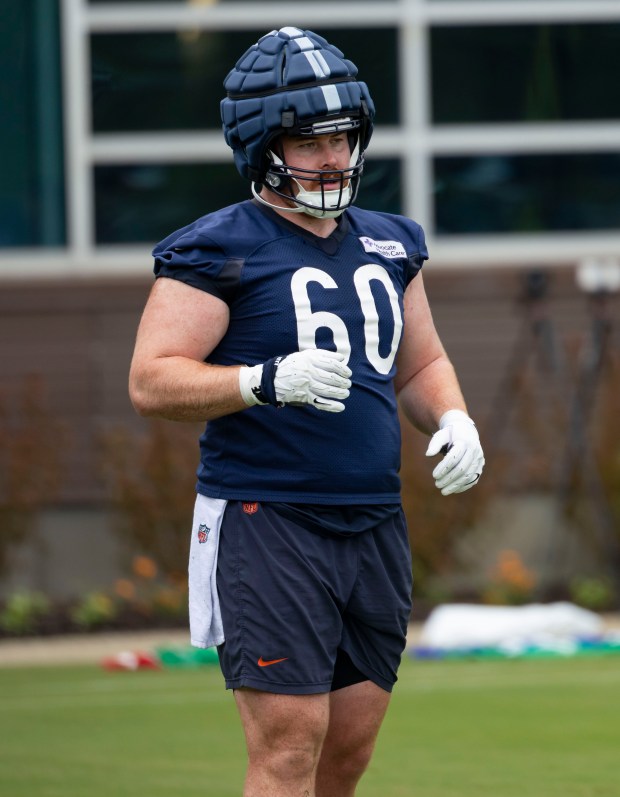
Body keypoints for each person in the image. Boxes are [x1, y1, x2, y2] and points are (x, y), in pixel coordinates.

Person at [129, 26, 485, 797]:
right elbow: (152, 380)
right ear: (261, 143)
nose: (332, 157)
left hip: (373, 521)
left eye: (342, 137)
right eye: (309, 139)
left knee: (345, 755)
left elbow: (420, 363)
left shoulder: (391, 244)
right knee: (290, 748)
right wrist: (260, 381)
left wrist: (453, 416)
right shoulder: (217, 248)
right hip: (268, 519)